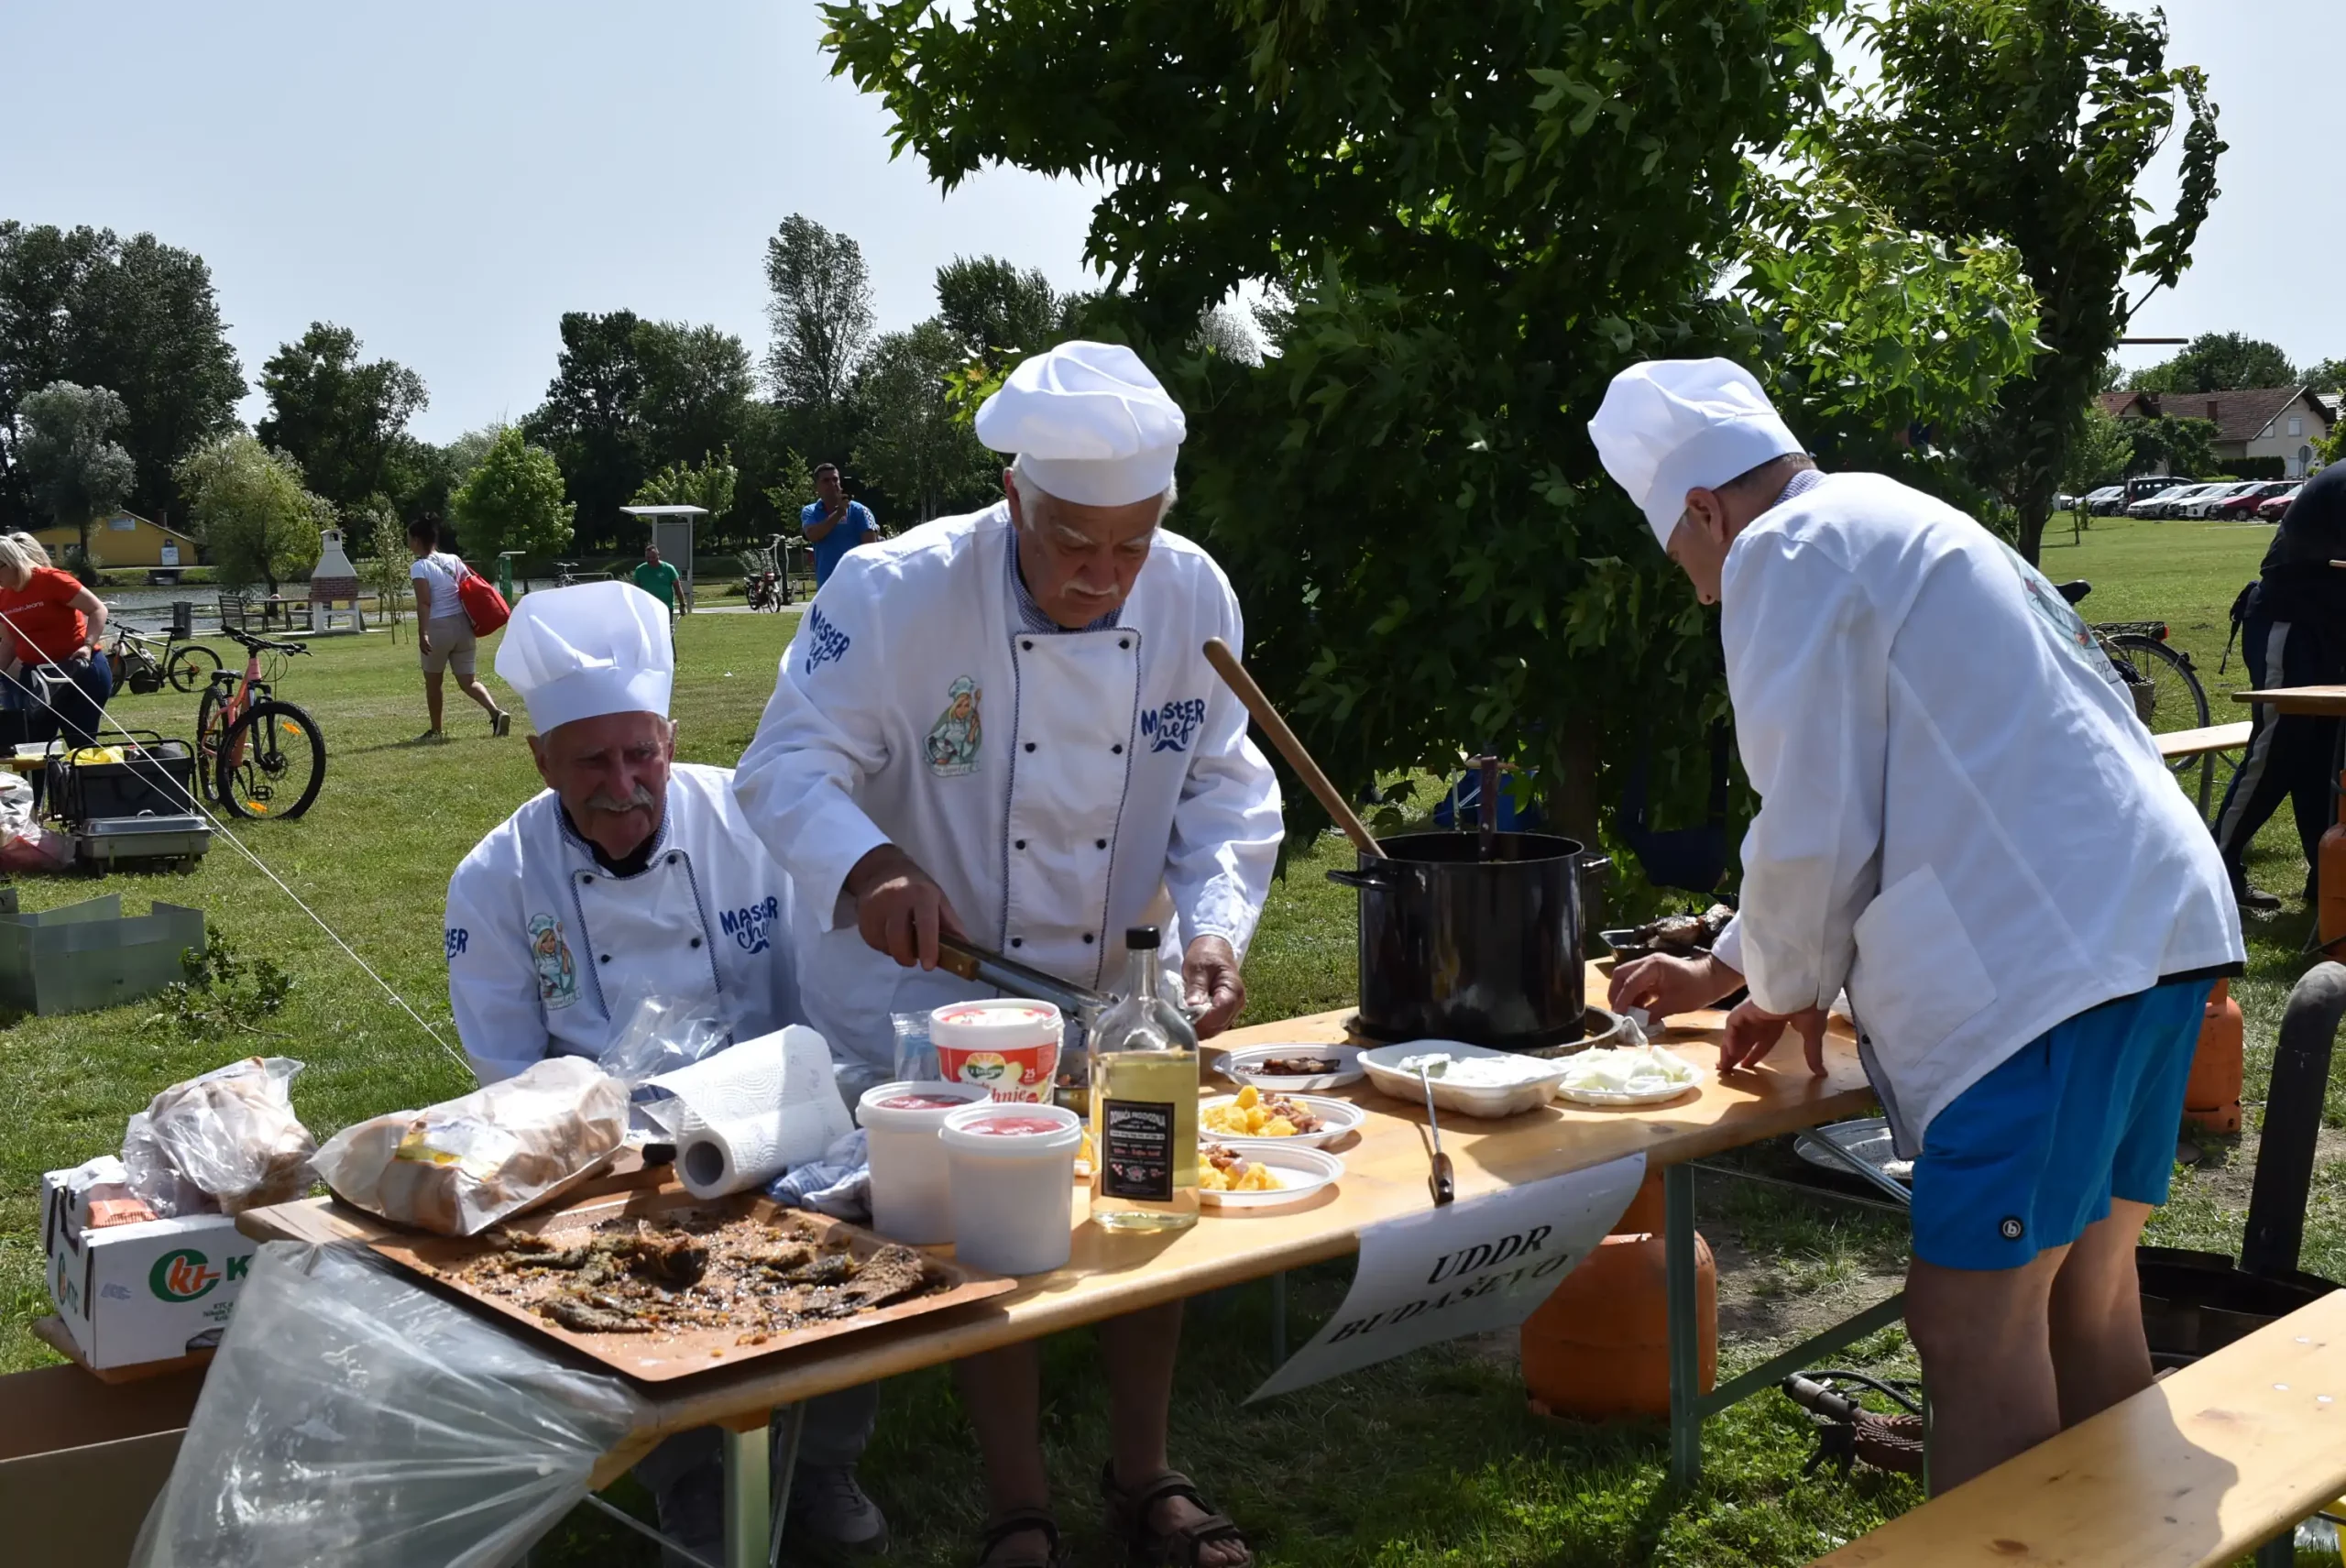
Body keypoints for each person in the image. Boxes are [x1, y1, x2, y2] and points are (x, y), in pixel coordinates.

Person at [1589, 358, 2244, 1495]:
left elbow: (1812, 814)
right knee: (2088, 1302)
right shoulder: (1893, 514)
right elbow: (1909, 772)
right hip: (2158, 927)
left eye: (1683, 556)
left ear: (1704, 507)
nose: (1698, 587)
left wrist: (1782, 977)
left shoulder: (1782, 554)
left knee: (1970, 1328)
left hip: (2048, 969)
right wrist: (1740, 963)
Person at [736, 341, 1282, 1568]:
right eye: (1072, 542)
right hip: (940, 983)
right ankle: (1016, 1501)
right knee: (992, 1227)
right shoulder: (891, 593)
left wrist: (1215, 930)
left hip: (1113, 981)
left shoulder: (1194, 594)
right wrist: (869, 864)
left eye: (1129, 544)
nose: (1103, 576)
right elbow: (784, 766)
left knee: (1149, 1192)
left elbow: (1225, 791)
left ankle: (1145, 1471)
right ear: (1010, 495)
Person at [443, 580, 886, 1561]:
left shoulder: (748, 818)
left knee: (865, 1213)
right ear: (540, 758)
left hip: (786, 1117)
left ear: (671, 740)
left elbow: (834, 988)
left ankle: (823, 1460)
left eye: (641, 752)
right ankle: (683, 1473)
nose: (623, 783)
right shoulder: (496, 878)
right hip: (608, 1154)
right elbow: (507, 1076)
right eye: (592, 761)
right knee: (632, 1268)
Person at [2212, 462, 2346, 912]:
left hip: (2329, 632)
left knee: (2327, 757)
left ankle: (2327, 878)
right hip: (2288, 625)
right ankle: (2214, 872)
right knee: (2279, 749)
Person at [0, 532, 112, 750]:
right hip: (36, 677)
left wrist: (87, 645)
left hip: (78, 670)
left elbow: (98, 608)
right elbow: (9, 643)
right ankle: (39, 784)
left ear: (12, 560)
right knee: (33, 748)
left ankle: (84, 782)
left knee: (81, 745)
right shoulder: (3, 597)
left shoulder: (52, 580)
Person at [408, 515, 510, 742]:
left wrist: (423, 633)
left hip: (439, 627)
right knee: (469, 681)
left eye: (409, 538)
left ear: (416, 540)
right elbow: (469, 587)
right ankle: (496, 713)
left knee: (434, 682)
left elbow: (424, 603)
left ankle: (436, 730)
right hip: (463, 626)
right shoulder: (454, 559)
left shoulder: (419, 567)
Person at [801, 463, 878, 588]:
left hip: (856, 586)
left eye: (835, 479)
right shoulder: (810, 511)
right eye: (826, 481)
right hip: (826, 587)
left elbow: (871, 551)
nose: (832, 484)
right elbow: (813, 535)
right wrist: (839, 514)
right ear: (817, 487)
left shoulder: (860, 511)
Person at [632, 541, 684, 630]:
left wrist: (682, 605)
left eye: (653, 557)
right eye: (648, 558)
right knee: (650, 631)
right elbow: (636, 590)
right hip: (647, 607)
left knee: (666, 632)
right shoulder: (640, 570)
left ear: (658, 555)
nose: (651, 560)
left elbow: (678, 588)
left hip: (666, 606)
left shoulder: (668, 568)